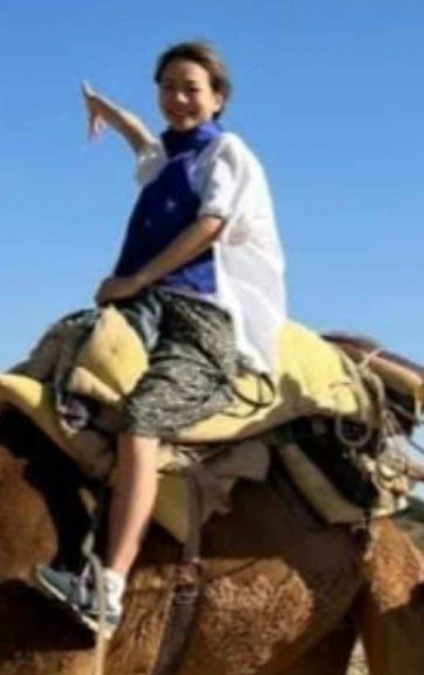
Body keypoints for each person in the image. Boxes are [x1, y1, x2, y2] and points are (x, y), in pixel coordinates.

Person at [34, 40, 287, 632]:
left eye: (191, 89)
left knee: (142, 418)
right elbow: (141, 139)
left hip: (199, 318)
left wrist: (135, 279)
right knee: (65, 363)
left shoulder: (225, 152)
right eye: (168, 87)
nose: (178, 99)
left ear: (218, 98)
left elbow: (210, 225)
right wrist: (105, 108)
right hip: (143, 308)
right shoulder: (167, 158)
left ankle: (110, 588)